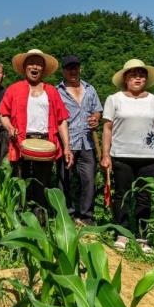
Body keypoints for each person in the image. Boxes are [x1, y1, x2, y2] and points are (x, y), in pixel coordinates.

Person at [101, 59, 154, 253]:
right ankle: (122, 234)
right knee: (122, 195)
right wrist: (105, 154)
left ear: (146, 79)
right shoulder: (114, 99)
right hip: (121, 154)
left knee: (144, 197)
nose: (137, 78)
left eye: (141, 75)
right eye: (133, 75)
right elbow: (107, 128)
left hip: (149, 157)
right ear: (125, 79)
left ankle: (142, 237)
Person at [0, 49, 73, 220]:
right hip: (20, 142)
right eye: (31, 63)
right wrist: (9, 127)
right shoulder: (14, 89)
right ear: (25, 67)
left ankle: (40, 220)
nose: (35, 67)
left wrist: (67, 147)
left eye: (38, 64)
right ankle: (21, 220)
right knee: (21, 183)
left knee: (42, 184)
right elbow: (3, 114)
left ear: (43, 69)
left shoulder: (51, 91)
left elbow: (62, 120)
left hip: (46, 144)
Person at [56, 55, 103, 226]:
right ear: (63, 71)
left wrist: (96, 118)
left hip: (87, 142)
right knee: (65, 179)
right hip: (66, 142)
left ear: (80, 69)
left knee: (89, 179)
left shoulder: (90, 89)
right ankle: (66, 214)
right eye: (69, 68)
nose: (73, 71)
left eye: (75, 67)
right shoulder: (57, 91)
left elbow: (97, 110)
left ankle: (86, 216)